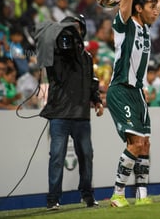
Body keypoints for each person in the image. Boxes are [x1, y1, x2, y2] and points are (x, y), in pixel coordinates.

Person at [96, 0, 160, 207]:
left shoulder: (146, 27)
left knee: (145, 144)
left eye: (156, 8)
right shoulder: (124, 24)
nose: (156, 11)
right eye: (151, 7)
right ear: (137, 9)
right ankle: (117, 194)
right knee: (134, 143)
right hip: (121, 89)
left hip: (137, 92)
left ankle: (142, 196)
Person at [34, 15, 104, 210]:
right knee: (57, 156)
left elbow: (92, 82)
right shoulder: (54, 54)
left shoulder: (87, 58)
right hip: (59, 115)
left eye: (76, 28)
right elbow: (42, 41)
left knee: (86, 156)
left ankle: (88, 196)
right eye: (68, 29)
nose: (73, 32)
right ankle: (53, 199)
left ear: (82, 31)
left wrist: (97, 100)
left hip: (81, 115)